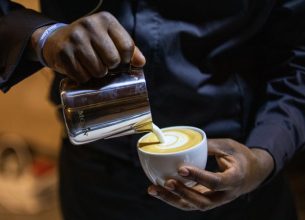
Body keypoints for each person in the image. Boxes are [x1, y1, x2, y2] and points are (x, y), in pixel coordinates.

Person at [1, 0, 305, 219]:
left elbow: (298, 58)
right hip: (98, 178)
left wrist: (264, 156)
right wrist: (42, 36)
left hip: (237, 176)